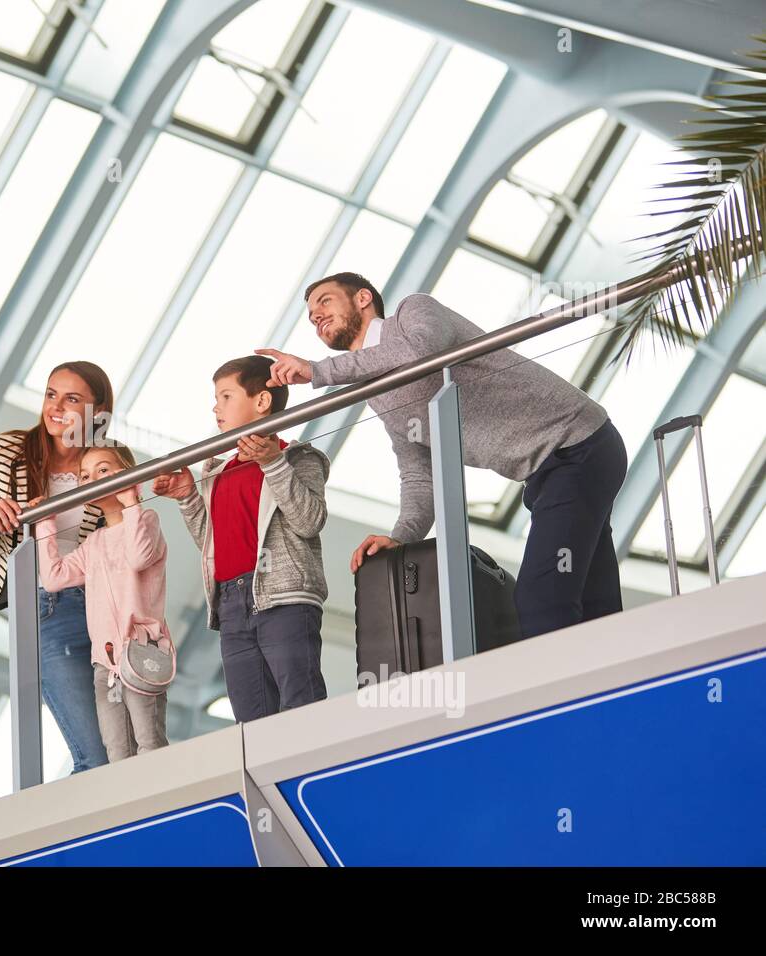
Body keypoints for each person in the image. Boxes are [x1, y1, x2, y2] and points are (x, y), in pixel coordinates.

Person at [257, 272, 628, 639]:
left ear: (363, 298)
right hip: (547, 472)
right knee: (595, 606)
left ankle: (563, 697)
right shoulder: (378, 393)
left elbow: (423, 350)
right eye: (310, 315)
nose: (316, 315)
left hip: (579, 444)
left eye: (324, 301)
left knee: (542, 603)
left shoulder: (412, 313)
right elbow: (419, 474)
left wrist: (317, 371)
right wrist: (402, 536)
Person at [0, 362, 114, 773]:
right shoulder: (6, 451)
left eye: (72, 398)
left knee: (122, 748)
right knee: (95, 753)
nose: (56, 407)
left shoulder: (107, 460)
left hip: (104, 607)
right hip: (46, 607)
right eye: (51, 394)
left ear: (98, 411)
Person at [153, 355, 329, 722]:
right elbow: (211, 543)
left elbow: (309, 521)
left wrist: (273, 464)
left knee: (301, 703)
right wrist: (188, 496)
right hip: (231, 605)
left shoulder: (297, 458)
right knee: (251, 721)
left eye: (226, 396)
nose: (215, 406)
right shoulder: (218, 471)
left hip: (282, 598)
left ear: (261, 402)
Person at [36, 444, 171, 761]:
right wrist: (45, 524)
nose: (92, 479)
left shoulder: (146, 521)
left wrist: (130, 503)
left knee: (149, 743)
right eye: (84, 475)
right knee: (117, 751)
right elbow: (54, 579)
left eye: (103, 471)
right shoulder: (93, 542)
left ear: (127, 475)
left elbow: (138, 558)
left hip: (141, 654)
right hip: (105, 664)